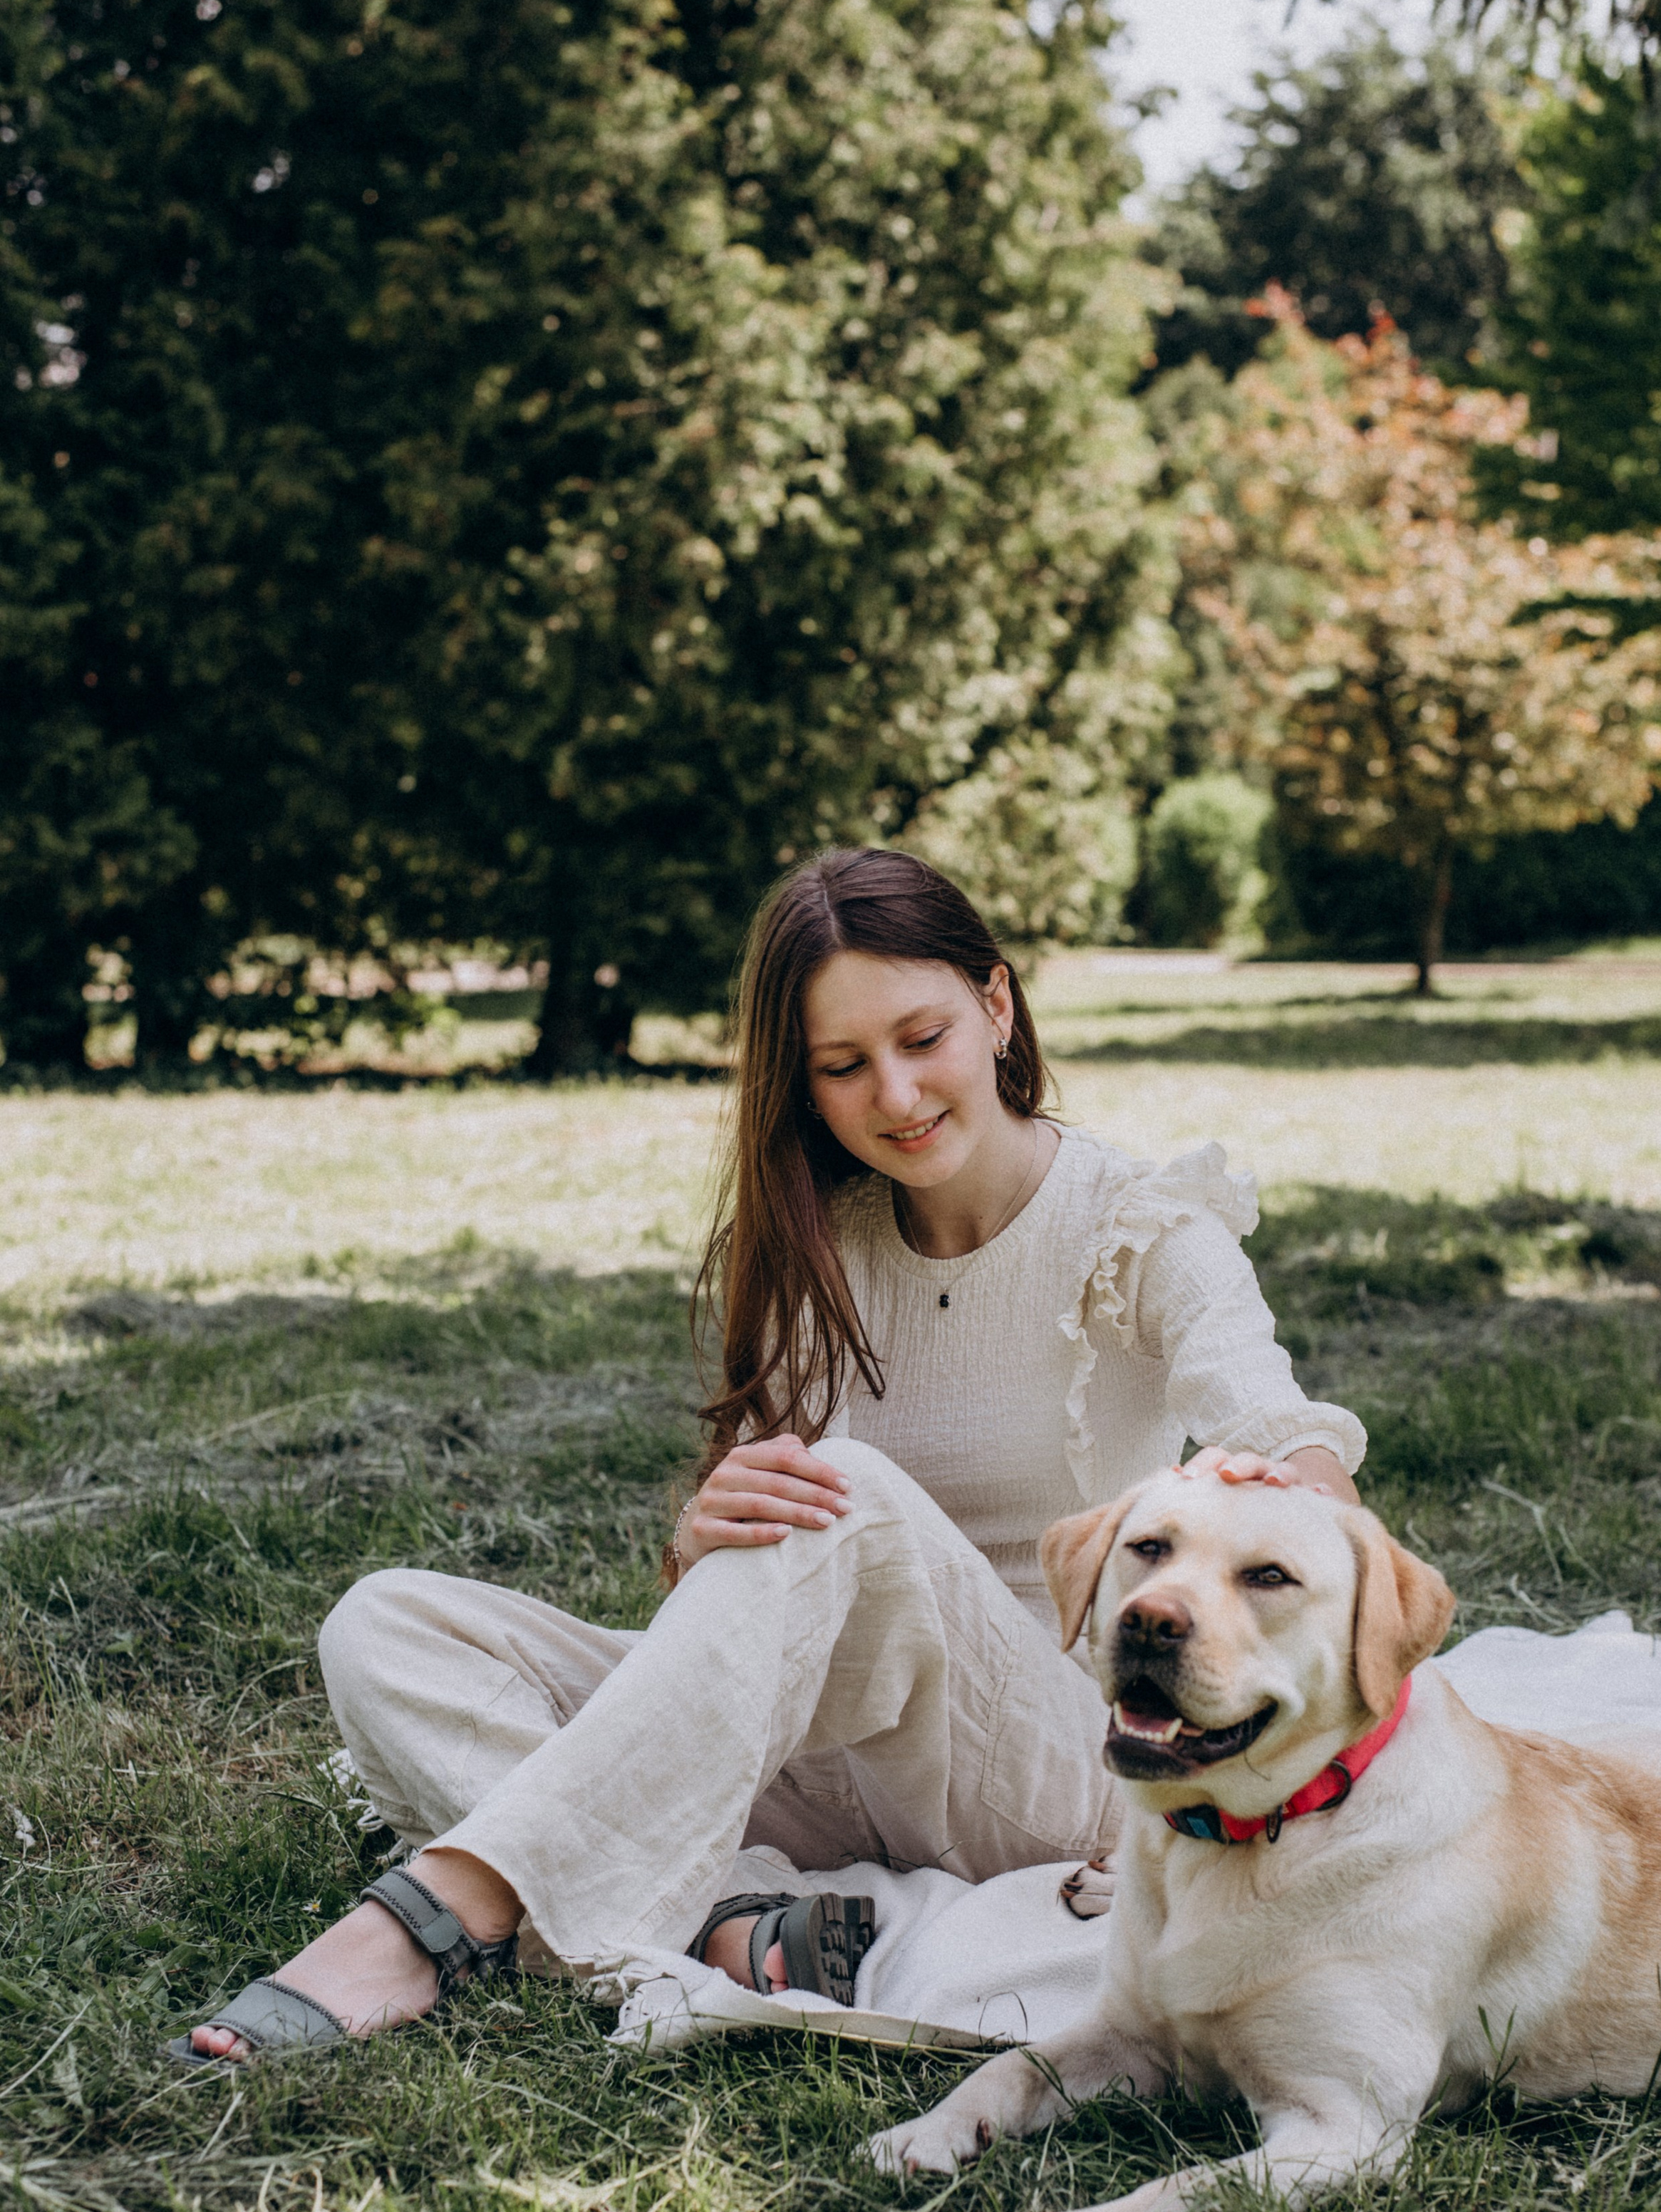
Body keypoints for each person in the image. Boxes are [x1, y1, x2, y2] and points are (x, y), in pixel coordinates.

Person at [173, 849, 1365, 2063]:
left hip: (1043, 1756)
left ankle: (445, 1910)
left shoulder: (1143, 1221)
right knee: (387, 1628)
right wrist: (699, 1537)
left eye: (923, 1038)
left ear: (997, 1008)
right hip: (825, 1757)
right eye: (843, 1068)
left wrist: (1308, 1493)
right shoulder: (819, 1239)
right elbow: (752, 1590)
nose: (895, 1096)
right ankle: (735, 1920)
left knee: (839, 1493)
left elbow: (1270, 1412)